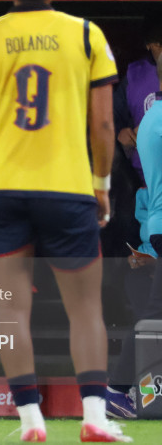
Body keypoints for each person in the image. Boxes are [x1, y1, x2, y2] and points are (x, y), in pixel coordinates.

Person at [0, 0, 130, 441]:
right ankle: (94, 418)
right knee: (86, 309)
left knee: (10, 306)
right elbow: (103, 127)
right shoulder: (85, 35)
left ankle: (31, 421)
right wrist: (101, 185)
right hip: (67, 187)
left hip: (0, 188)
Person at [107, 51, 162, 419]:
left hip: (157, 225)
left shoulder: (152, 117)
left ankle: (121, 389)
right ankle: (119, 389)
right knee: (157, 312)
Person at [113, 15, 162, 184]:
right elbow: (111, 116)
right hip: (141, 176)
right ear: (149, 45)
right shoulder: (134, 74)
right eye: (159, 46)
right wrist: (121, 132)